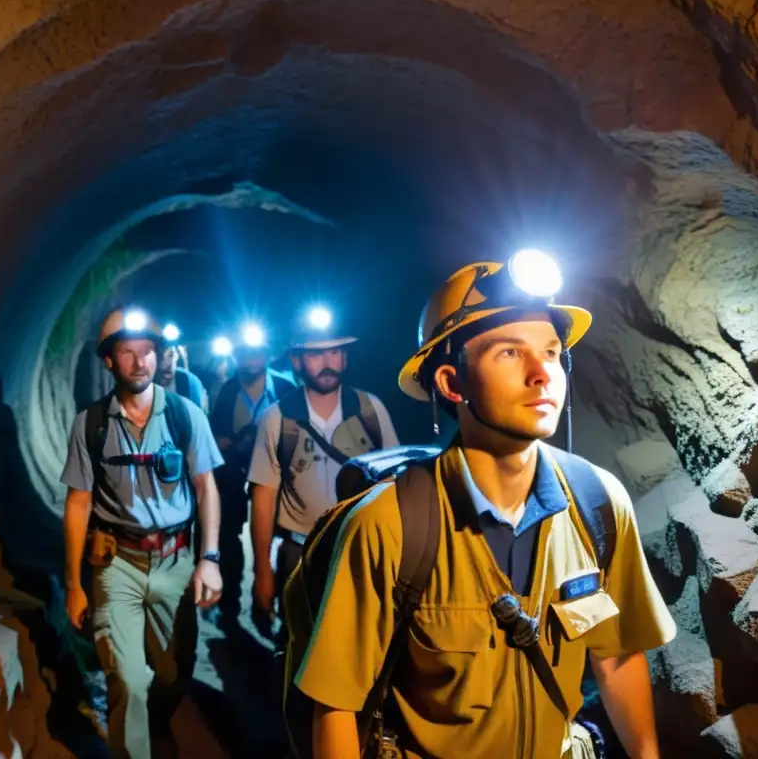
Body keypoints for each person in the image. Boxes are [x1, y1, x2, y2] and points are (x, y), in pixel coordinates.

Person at [289, 253, 677, 759]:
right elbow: (336, 706)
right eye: (510, 354)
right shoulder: (389, 526)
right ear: (451, 383)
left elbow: (618, 655)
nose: (543, 374)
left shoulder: (597, 503)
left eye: (553, 352)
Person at [61, 307, 225, 759]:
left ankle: (157, 722)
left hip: (175, 562)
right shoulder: (90, 425)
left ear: (160, 357)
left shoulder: (185, 415)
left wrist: (209, 559)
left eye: (148, 352)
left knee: (173, 673)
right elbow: (77, 504)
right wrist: (75, 584)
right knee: (129, 680)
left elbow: (206, 487)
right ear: (110, 361)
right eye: (127, 353)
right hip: (117, 566)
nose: (139, 362)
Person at [247, 310, 399, 645]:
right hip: (300, 555)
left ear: (345, 357)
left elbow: (397, 485)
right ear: (297, 361)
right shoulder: (278, 418)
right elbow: (263, 497)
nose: (327, 361)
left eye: (334, 351)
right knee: (300, 647)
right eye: (315, 353)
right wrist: (262, 572)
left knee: (362, 648)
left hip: (361, 553)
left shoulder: (370, 410)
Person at [208, 327, 296, 632]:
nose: (251, 358)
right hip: (234, 474)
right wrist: (229, 443)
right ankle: (229, 603)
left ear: (268, 354)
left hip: (276, 474)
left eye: (257, 351)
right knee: (228, 538)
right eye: (244, 352)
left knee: (276, 537)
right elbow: (214, 433)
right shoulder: (225, 391)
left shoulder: (285, 388)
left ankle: (270, 603)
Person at [157, 343, 209, 413]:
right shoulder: (147, 382)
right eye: (162, 357)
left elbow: (199, 413)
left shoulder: (189, 381)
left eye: (171, 355)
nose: (169, 363)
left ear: (176, 356)